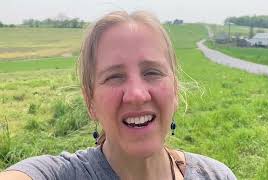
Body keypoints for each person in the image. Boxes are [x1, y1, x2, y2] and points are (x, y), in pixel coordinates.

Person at [0, 10, 236, 180]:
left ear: (175, 89)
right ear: (90, 101)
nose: (136, 94)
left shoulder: (216, 175)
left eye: (152, 72)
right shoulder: (59, 174)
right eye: (114, 76)